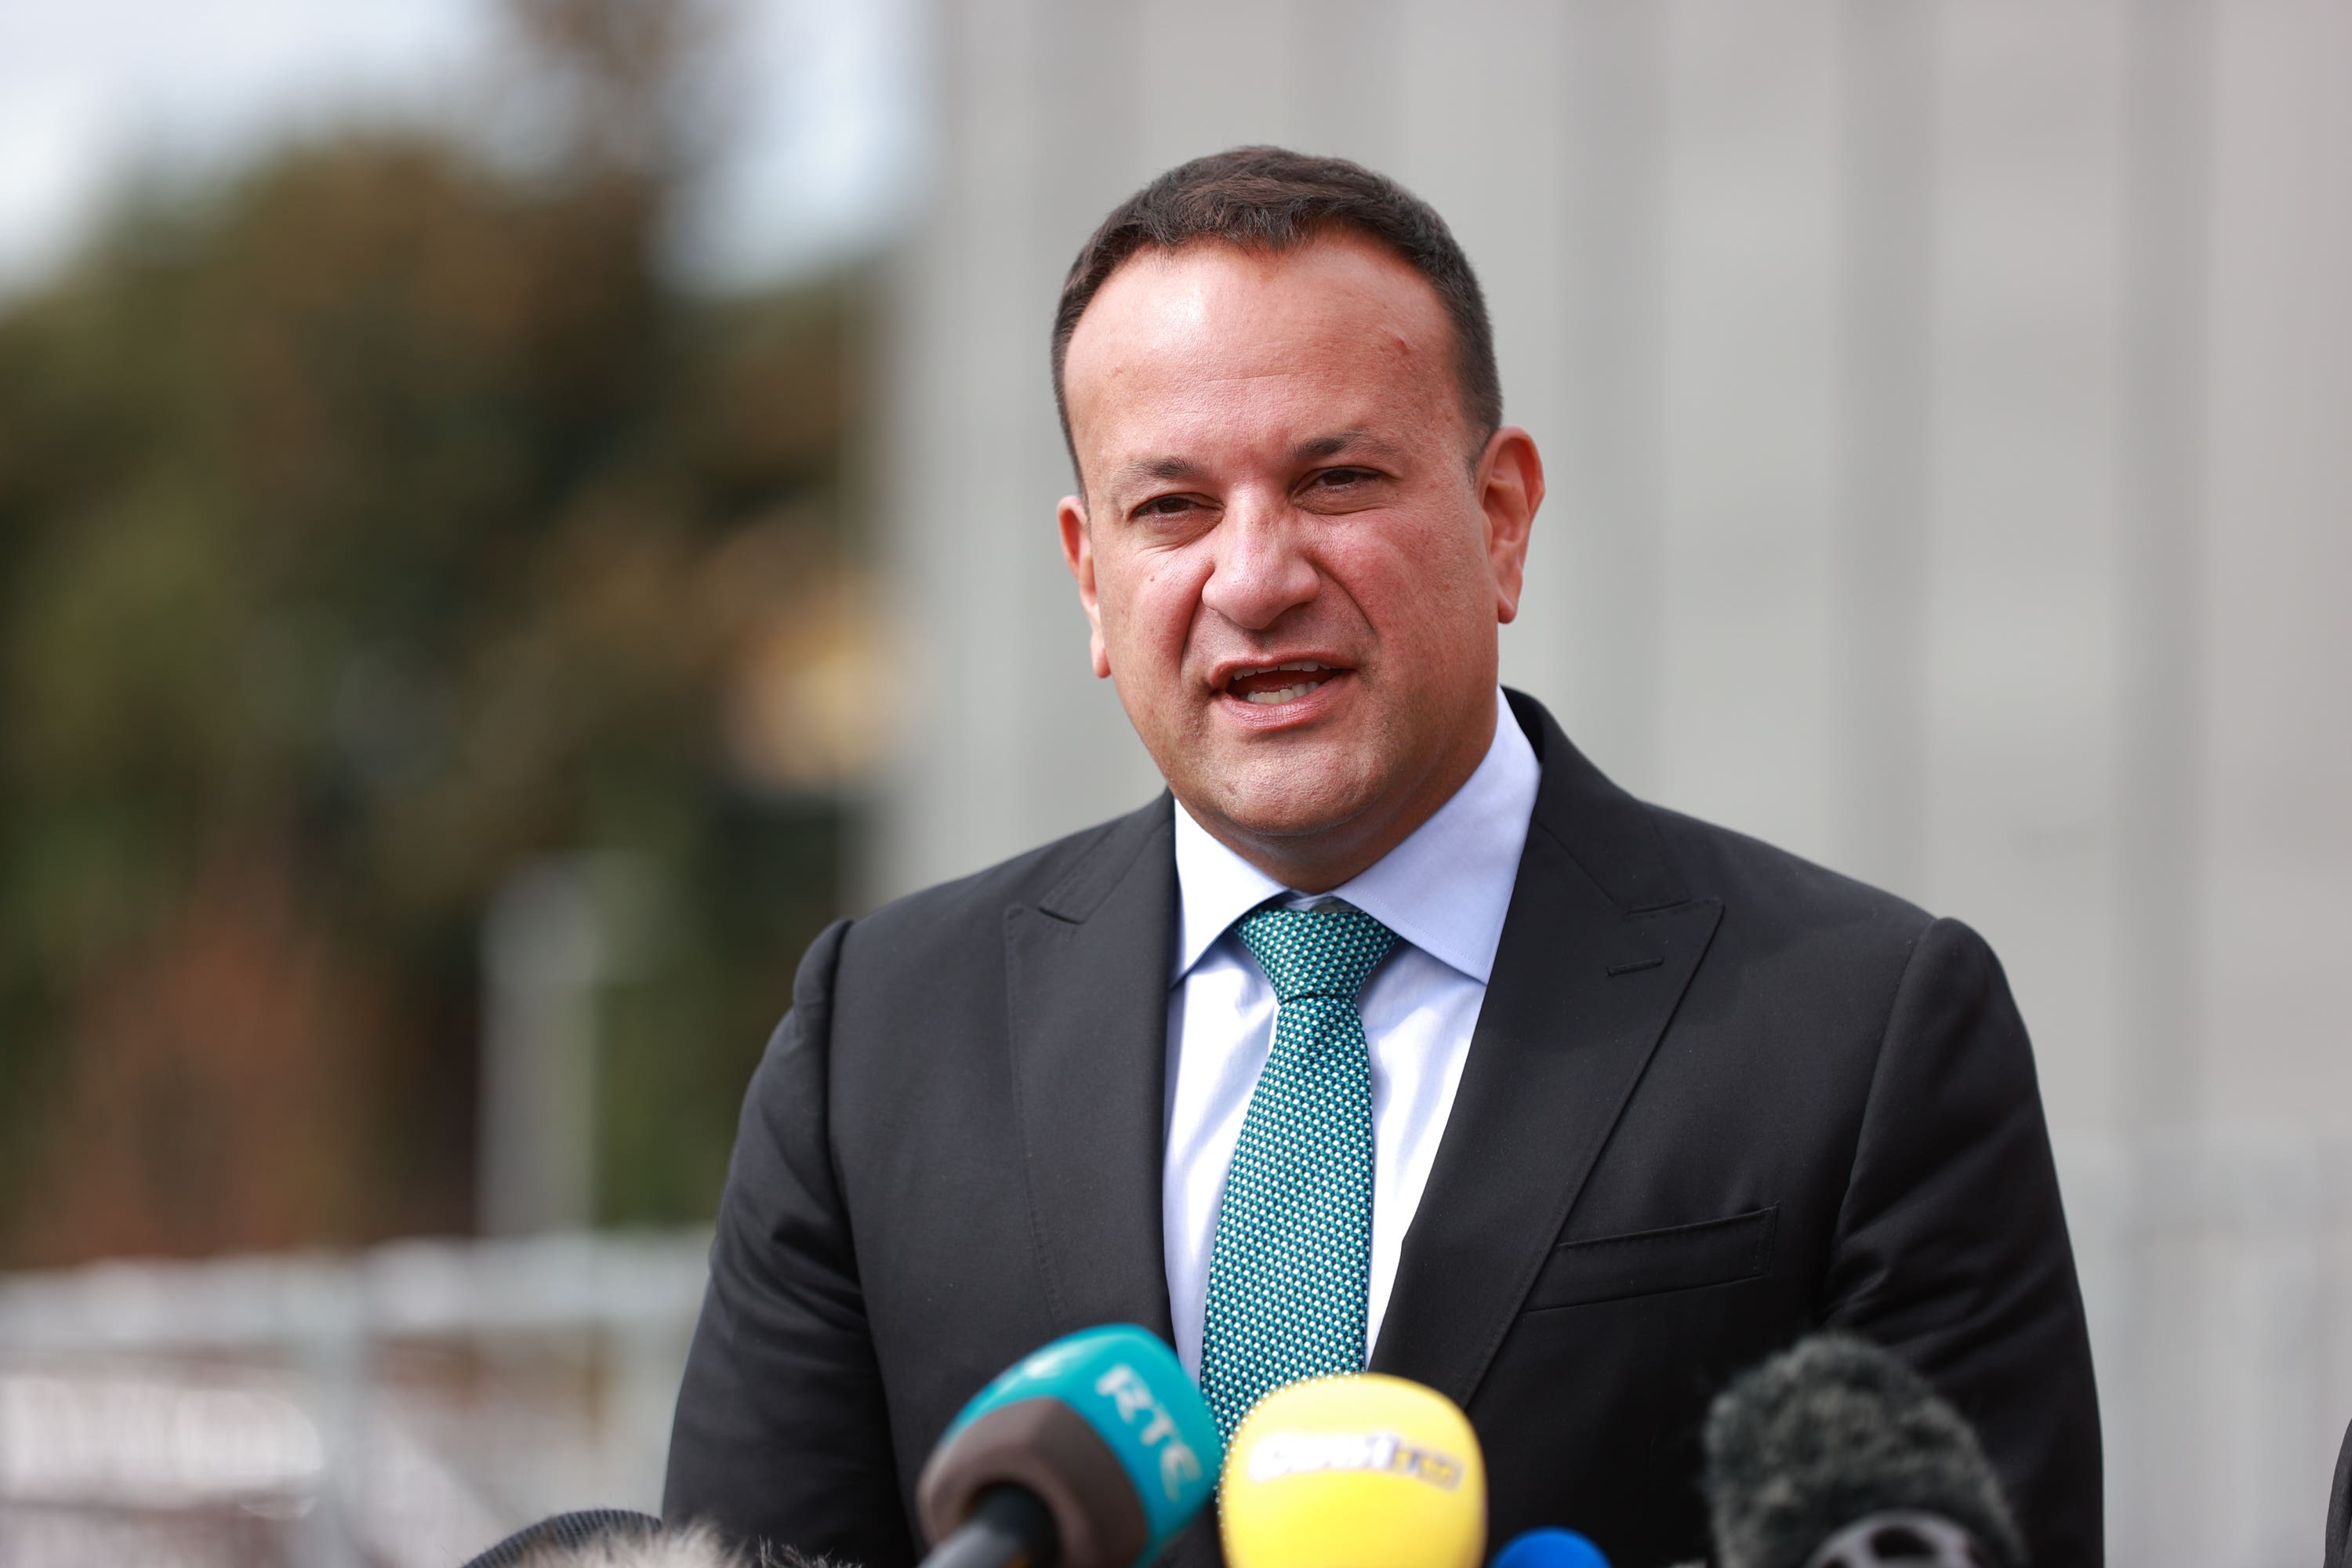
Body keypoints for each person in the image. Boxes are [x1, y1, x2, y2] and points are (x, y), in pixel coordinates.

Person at [663, 148, 2101, 1568]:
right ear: (1090, 577)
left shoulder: (1859, 1027)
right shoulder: (882, 1037)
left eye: (1336, 479)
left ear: (1502, 517)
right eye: (1170, 509)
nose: (1256, 575)